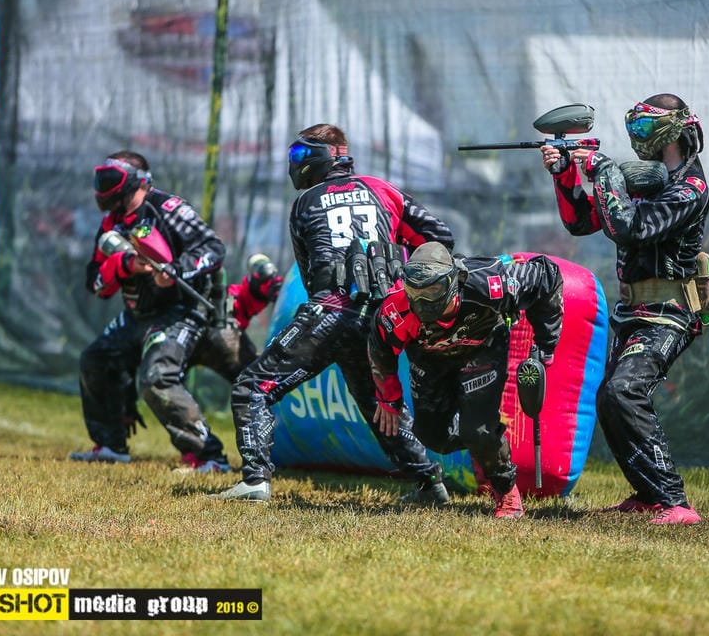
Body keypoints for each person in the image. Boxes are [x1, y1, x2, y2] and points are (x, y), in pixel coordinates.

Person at [209, 123, 455, 502]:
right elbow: (440, 238)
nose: (294, 163)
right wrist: (394, 268)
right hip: (382, 320)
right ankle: (430, 484)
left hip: (330, 313)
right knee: (378, 407)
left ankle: (255, 480)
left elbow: (310, 276)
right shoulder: (383, 190)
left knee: (251, 387)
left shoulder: (305, 203)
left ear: (322, 157)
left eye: (299, 155)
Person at [540, 93, 709, 525]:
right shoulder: (646, 178)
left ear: (673, 130)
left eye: (645, 128)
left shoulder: (690, 188)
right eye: (634, 127)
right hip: (634, 310)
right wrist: (565, 174)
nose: (638, 136)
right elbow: (581, 222)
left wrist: (604, 172)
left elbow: (629, 228)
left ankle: (675, 502)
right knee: (609, 399)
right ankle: (648, 493)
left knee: (625, 392)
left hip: (670, 310)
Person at [69, 150, 247, 473]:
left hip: (183, 311)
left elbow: (213, 248)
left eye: (110, 180)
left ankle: (208, 456)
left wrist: (176, 270)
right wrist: (125, 265)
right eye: (100, 180)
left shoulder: (167, 209)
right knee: (95, 361)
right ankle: (111, 445)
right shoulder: (111, 223)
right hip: (138, 315)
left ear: (137, 183)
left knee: (157, 378)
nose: (102, 188)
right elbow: (95, 283)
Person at [368, 242, 564, 519]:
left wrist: (546, 344)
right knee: (432, 436)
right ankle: (486, 439)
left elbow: (547, 274)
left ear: (453, 282)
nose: (422, 302)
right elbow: (380, 348)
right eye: (414, 291)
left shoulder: (490, 284)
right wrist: (389, 399)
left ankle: (506, 489)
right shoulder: (396, 309)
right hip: (430, 361)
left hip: (483, 350)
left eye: (432, 291)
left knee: (479, 430)